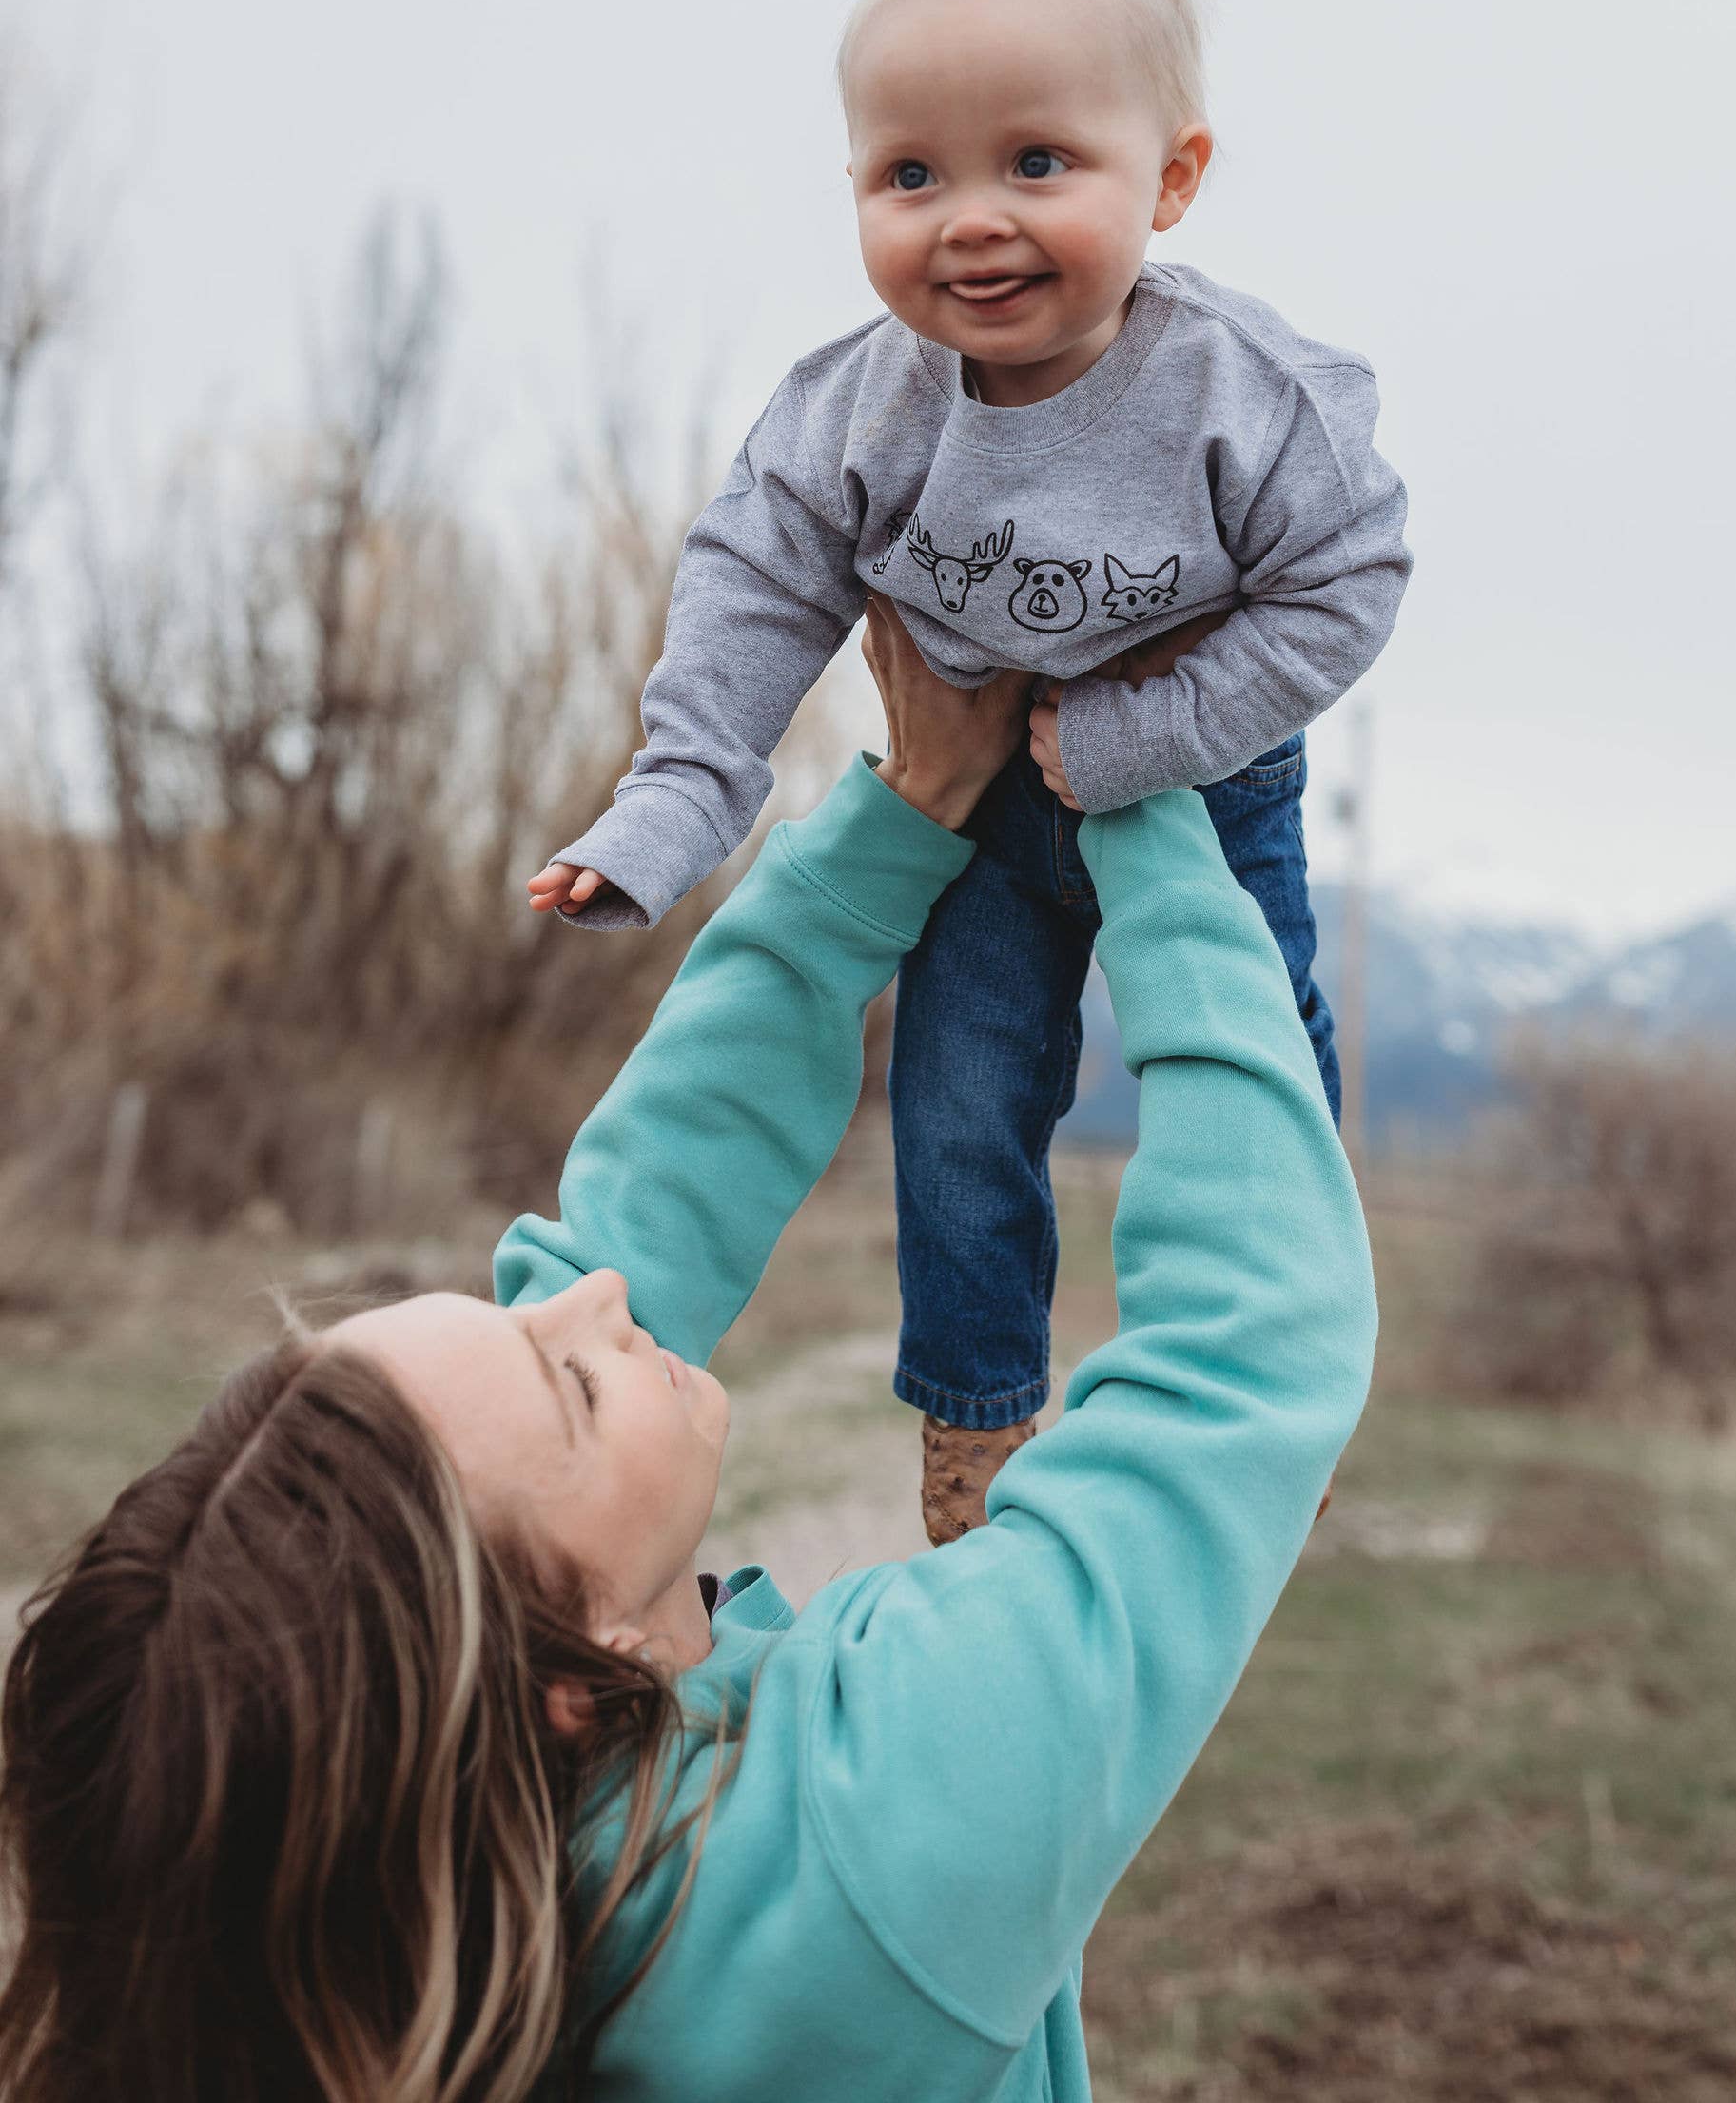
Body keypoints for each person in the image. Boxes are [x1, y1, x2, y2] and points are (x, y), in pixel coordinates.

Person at [0, 603, 1376, 2103]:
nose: (596, 1299)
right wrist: (1140, 794)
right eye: (573, 1382)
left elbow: (635, 1220)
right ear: (580, 1675)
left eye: (515, 1312)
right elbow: (1243, 1356)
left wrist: (908, 808)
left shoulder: (368, 1900)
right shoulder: (858, 1866)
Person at [531, 0, 1410, 1535]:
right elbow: (752, 593)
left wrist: (1146, 737)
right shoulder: (854, 410)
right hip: (989, 808)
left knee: (1254, 1072)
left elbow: (1347, 580)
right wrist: (671, 803)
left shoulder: (1240, 395)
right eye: (911, 175)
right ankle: (978, 1423)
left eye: (1038, 163)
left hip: (1205, 783)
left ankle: (1284, 1371)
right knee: (957, 1112)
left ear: (1172, 179)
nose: (972, 221)